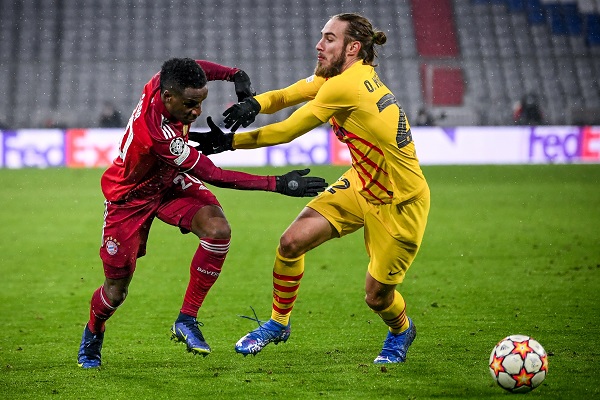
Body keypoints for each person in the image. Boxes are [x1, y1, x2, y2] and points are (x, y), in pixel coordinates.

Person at [192, 13, 430, 364]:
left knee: (377, 297)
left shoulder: (344, 86)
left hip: (400, 201)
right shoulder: (339, 76)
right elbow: (290, 94)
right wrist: (254, 104)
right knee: (291, 243)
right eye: (322, 36)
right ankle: (278, 323)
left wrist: (230, 143)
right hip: (362, 182)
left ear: (353, 47)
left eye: (329, 39)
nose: (319, 45)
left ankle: (401, 330)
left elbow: (287, 130)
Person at [76, 58, 328, 368]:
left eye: (201, 101)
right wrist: (275, 183)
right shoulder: (157, 134)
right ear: (169, 98)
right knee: (116, 292)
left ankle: (187, 318)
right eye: (191, 104)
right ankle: (93, 333)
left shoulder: (164, 80)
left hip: (169, 181)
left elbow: (193, 66)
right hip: (129, 198)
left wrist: (234, 74)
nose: (197, 111)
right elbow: (213, 174)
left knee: (218, 231)